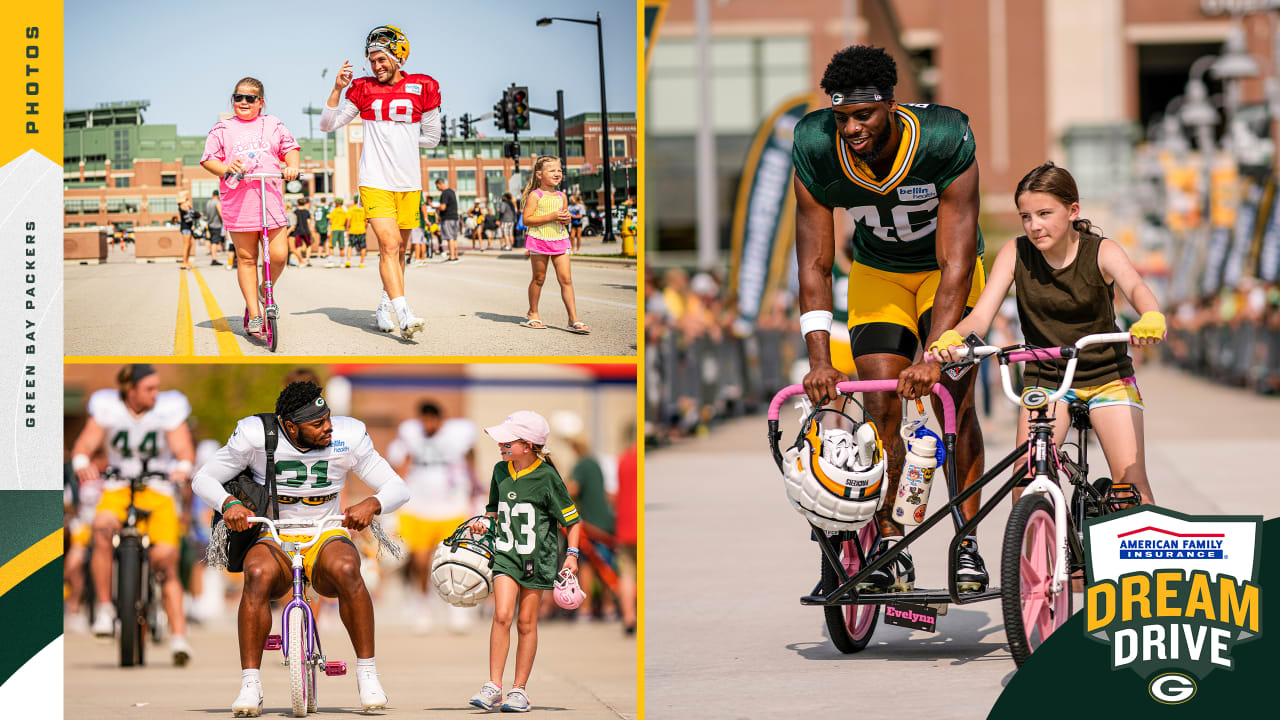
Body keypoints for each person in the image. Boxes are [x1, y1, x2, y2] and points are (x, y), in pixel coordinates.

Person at [793, 45, 988, 592]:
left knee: (953, 396)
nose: (851, 128)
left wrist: (932, 355)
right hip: (878, 270)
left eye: (864, 115)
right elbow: (813, 260)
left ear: (890, 104)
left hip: (943, 272)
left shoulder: (944, 137)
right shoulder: (813, 144)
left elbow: (955, 262)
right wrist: (817, 361)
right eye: (842, 117)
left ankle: (966, 540)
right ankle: (886, 542)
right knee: (880, 404)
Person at [905, 162, 1165, 506]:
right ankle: (1043, 553)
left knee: (1131, 489)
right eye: (1025, 216)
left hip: (1107, 378)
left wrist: (1151, 316)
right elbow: (981, 316)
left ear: (1073, 211)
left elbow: (1137, 286)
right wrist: (955, 336)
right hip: (1045, 380)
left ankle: (1136, 553)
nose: (1034, 225)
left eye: (1044, 213)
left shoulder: (1102, 250)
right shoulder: (1016, 253)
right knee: (1024, 483)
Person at [190, 381, 410, 716]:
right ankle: (250, 682)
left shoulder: (348, 436)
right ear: (290, 427)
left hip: (325, 531)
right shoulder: (255, 434)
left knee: (349, 570)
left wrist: (373, 503)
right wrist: (228, 502)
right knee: (257, 573)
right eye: (317, 424)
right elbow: (203, 478)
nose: (328, 427)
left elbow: (397, 486)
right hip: (273, 532)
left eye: (328, 418)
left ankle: (367, 674)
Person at [70, 364, 197, 664]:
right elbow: (86, 443)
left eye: (156, 387)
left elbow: (184, 449)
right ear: (131, 390)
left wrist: (182, 467)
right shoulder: (108, 407)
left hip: (158, 488)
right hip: (118, 485)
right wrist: (80, 461)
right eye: (149, 388)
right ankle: (104, 608)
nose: (155, 393)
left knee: (166, 559)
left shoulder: (168, 408)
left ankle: (179, 637)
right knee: (101, 528)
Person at [320, 25, 441, 339]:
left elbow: (432, 138)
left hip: (409, 181)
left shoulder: (424, 86)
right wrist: (336, 88)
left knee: (400, 250)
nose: (376, 66)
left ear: (398, 56)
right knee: (389, 245)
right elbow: (327, 124)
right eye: (372, 60)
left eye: (381, 59)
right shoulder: (361, 88)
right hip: (374, 179)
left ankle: (384, 306)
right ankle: (405, 314)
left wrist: (400, 136)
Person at [466, 411, 582, 713]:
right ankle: (493, 685)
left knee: (527, 622)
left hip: (537, 559)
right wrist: (482, 524)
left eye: (508, 440)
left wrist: (572, 556)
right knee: (502, 615)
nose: (501, 445)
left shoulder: (547, 477)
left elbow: (572, 521)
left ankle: (519, 690)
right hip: (505, 555)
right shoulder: (499, 471)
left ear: (528, 444)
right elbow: (493, 512)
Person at [200, 77, 301, 338]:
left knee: (279, 256)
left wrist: (292, 166)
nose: (243, 102)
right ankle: (255, 314)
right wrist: (226, 168)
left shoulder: (272, 124)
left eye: (250, 98)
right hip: (239, 202)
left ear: (260, 102)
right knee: (247, 258)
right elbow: (209, 160)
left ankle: (260, 293)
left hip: (270, 200)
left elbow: (290, 149)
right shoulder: (222, 128)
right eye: (238, 97)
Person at [386, 401, 478, 634]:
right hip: (419, 507)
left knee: (455, 560)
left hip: (451, 507)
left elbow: (470, 460)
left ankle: (456, 608)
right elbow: (401, 467)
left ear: (440, 420)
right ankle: (422, 605)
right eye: (423, 420)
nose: (427, 425)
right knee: (420, 561)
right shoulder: (411, 436)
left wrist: (474, 489)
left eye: (431, 420)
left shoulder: (458, 435)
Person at [520, 156, 590, 334]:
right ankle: (533, 313)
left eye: (559, 170)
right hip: (539, 239)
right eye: (552, 170)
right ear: (539, 174)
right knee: (539, 278)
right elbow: (527, 220)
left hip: (559, 238)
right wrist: (550, 217)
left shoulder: (562, 196)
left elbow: (563, 219)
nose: (557, 173)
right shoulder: (535, 195)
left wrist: (566, 219)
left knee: (566, 279)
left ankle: (573, 318)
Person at [435, 177, 460, 261]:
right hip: (455, 217)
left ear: (440, 184)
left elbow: (443, 207)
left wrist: (435, 207)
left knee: (450, 238)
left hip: (447, 218)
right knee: (455, 237)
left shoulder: (444, 193)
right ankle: (456, 255)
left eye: (437, 186)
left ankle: (451, 256)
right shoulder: (452, 192)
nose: (437, 188)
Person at [289, 196, 316, 267]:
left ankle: (300, 261)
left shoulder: (295, 212)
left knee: (298, 246)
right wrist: (311, 230)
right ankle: (307, 260)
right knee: (308, 245)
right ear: (304, 204)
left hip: (297, 231)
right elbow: (309, 222)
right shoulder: (306, 212)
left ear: (297, 203)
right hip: (306, 231)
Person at [347, 195, 369, 268]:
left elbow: (348, 221)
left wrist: (347, 229)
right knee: (363, 247)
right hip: (361, 230)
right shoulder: (364, 209)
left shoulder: (350, 209)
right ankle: (361, 263)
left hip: (353, 230)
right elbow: (366, 222)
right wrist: (365, 228)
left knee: (350, 246)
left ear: (354, 201)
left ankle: (348, 261)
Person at [178, 192, 199, 270]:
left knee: (190, 245)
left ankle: (186, 262)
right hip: (185, 228)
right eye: (186, 195)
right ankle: (184, 263)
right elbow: (191, 212)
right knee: (187, 245)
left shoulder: (185, 204)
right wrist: (189, 205)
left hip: (188, 227)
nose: (188, 196)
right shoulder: (183, 205)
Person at [328, 197, 350, 268]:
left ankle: (331, 262)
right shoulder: (344, 212)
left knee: (331, 246)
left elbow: (330, 221)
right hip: (341, 229)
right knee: (342, 247)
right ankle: (342, 263)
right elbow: (347, 222)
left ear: (337, 203)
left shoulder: (333, 211)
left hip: (334, 229)